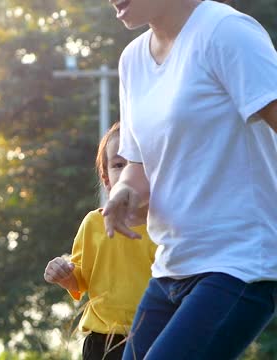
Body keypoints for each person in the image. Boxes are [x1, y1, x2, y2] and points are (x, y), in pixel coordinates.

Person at [103, 0, 277, 358]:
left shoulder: (225, 31)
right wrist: (123, 192)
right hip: (172, 266)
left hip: (242, 263)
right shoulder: (132, 60)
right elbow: (137, 167)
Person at [44, 122, 157, 360]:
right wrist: (64, 275)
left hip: (157, 337)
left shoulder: (169, 228)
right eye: (118, 165)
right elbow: (79, 282)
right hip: (102, 342)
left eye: (140, 164)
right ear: (106, 179)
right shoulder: (93, 224)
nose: (128, 173)